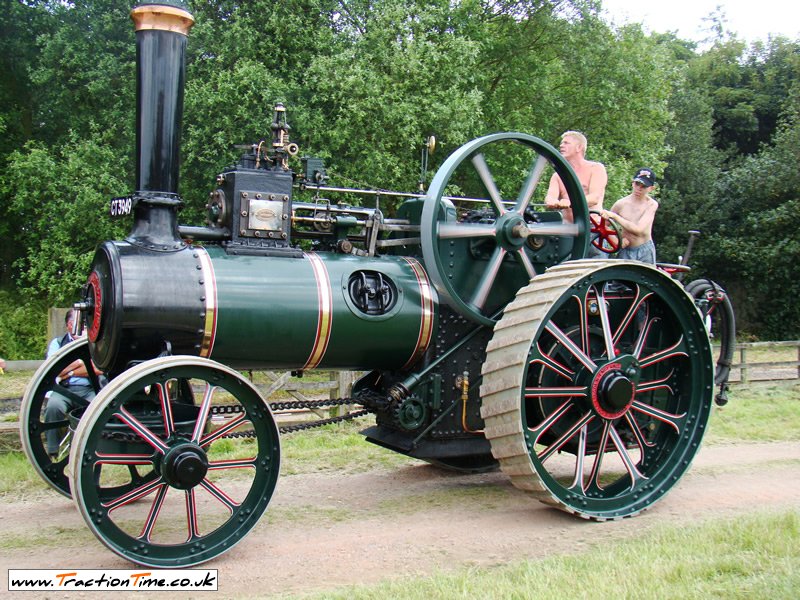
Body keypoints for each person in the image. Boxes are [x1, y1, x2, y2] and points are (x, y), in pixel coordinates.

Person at [44, 309, 101, 458]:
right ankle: (53, 450)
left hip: (89, 388)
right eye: (80, 323)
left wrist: (69, 370)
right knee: (53, 407)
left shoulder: (93, 343)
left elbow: (98, 369)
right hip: (64, 389)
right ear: (69, 325)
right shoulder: (57, 343)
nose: (83, 327)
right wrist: (81, 362)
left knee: (96, 411)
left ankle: (89, 451)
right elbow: (53, 370)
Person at [544, 130, 608, 224]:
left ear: (579, 147)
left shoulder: (596, 169)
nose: (561, 146)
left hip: (591, 228)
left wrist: (570, 202)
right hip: (568, 229)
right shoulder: (557, 176)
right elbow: (549, 198)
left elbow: (594, 198)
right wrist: (553, 202)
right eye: (561, 143)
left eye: (566, 143)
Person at [601, 168, 659, 264]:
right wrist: (616, 241)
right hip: (626, 250)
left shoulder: (651, 205)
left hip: (645, 250)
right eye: (637, 184)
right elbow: (603, 226)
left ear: (651, 188)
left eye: (643, 186)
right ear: (632, 183)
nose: (638, 189)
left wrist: (615, 217)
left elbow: (638, 230)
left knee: (645, 278)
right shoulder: (621, 204)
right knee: (621, 278)